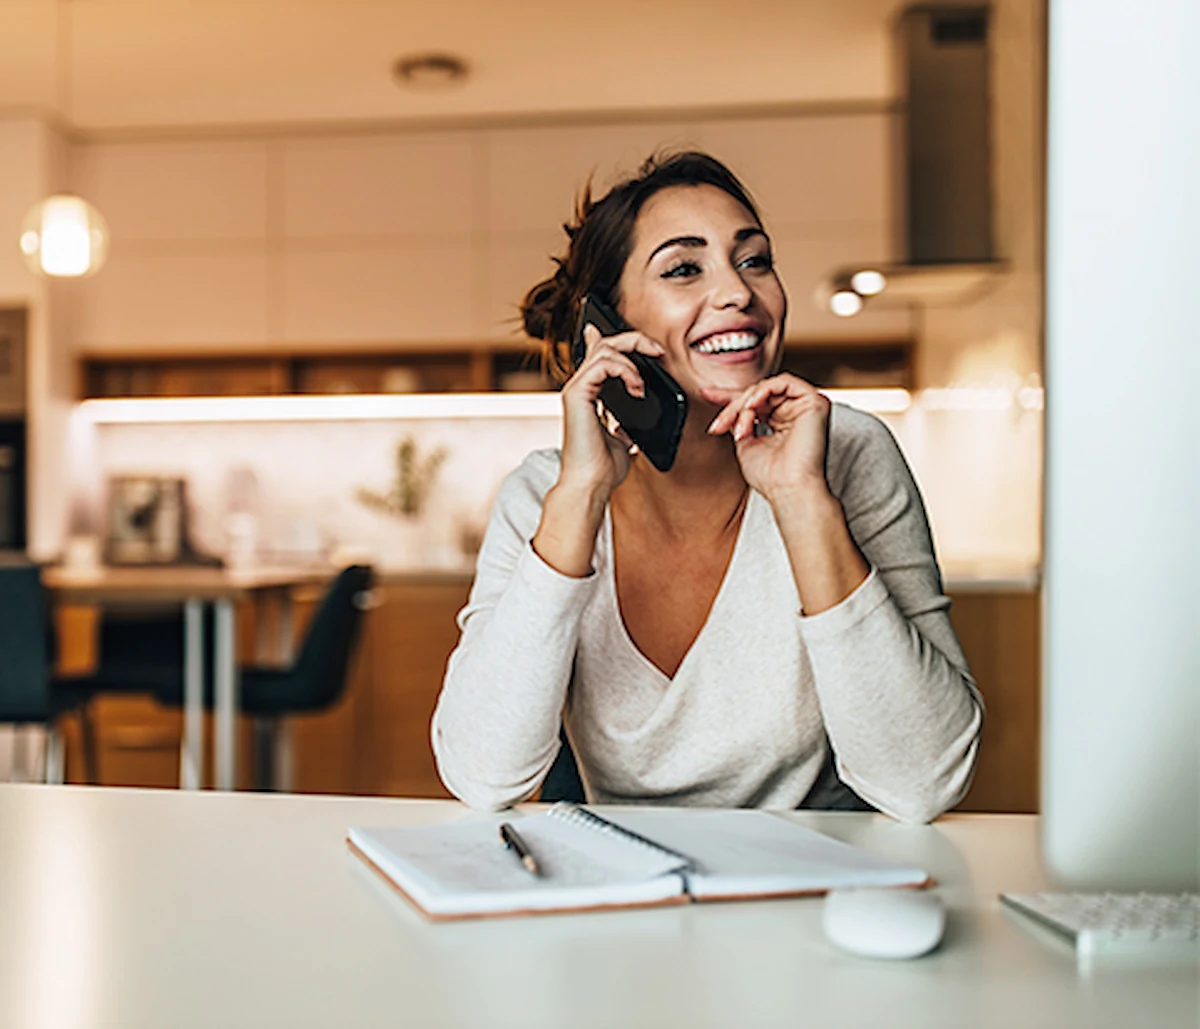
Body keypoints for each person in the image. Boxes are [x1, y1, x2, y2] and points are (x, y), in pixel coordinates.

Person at [432, 151, 983, 823]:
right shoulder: (547, 493)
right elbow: (482, 773)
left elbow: (925, 780)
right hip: (624, 890)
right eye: (684, 268)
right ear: (605, 323)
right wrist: (580, 493)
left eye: (753, 259)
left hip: (808, 890)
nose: (739, 293)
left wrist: (802, 500)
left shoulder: (847, 453)